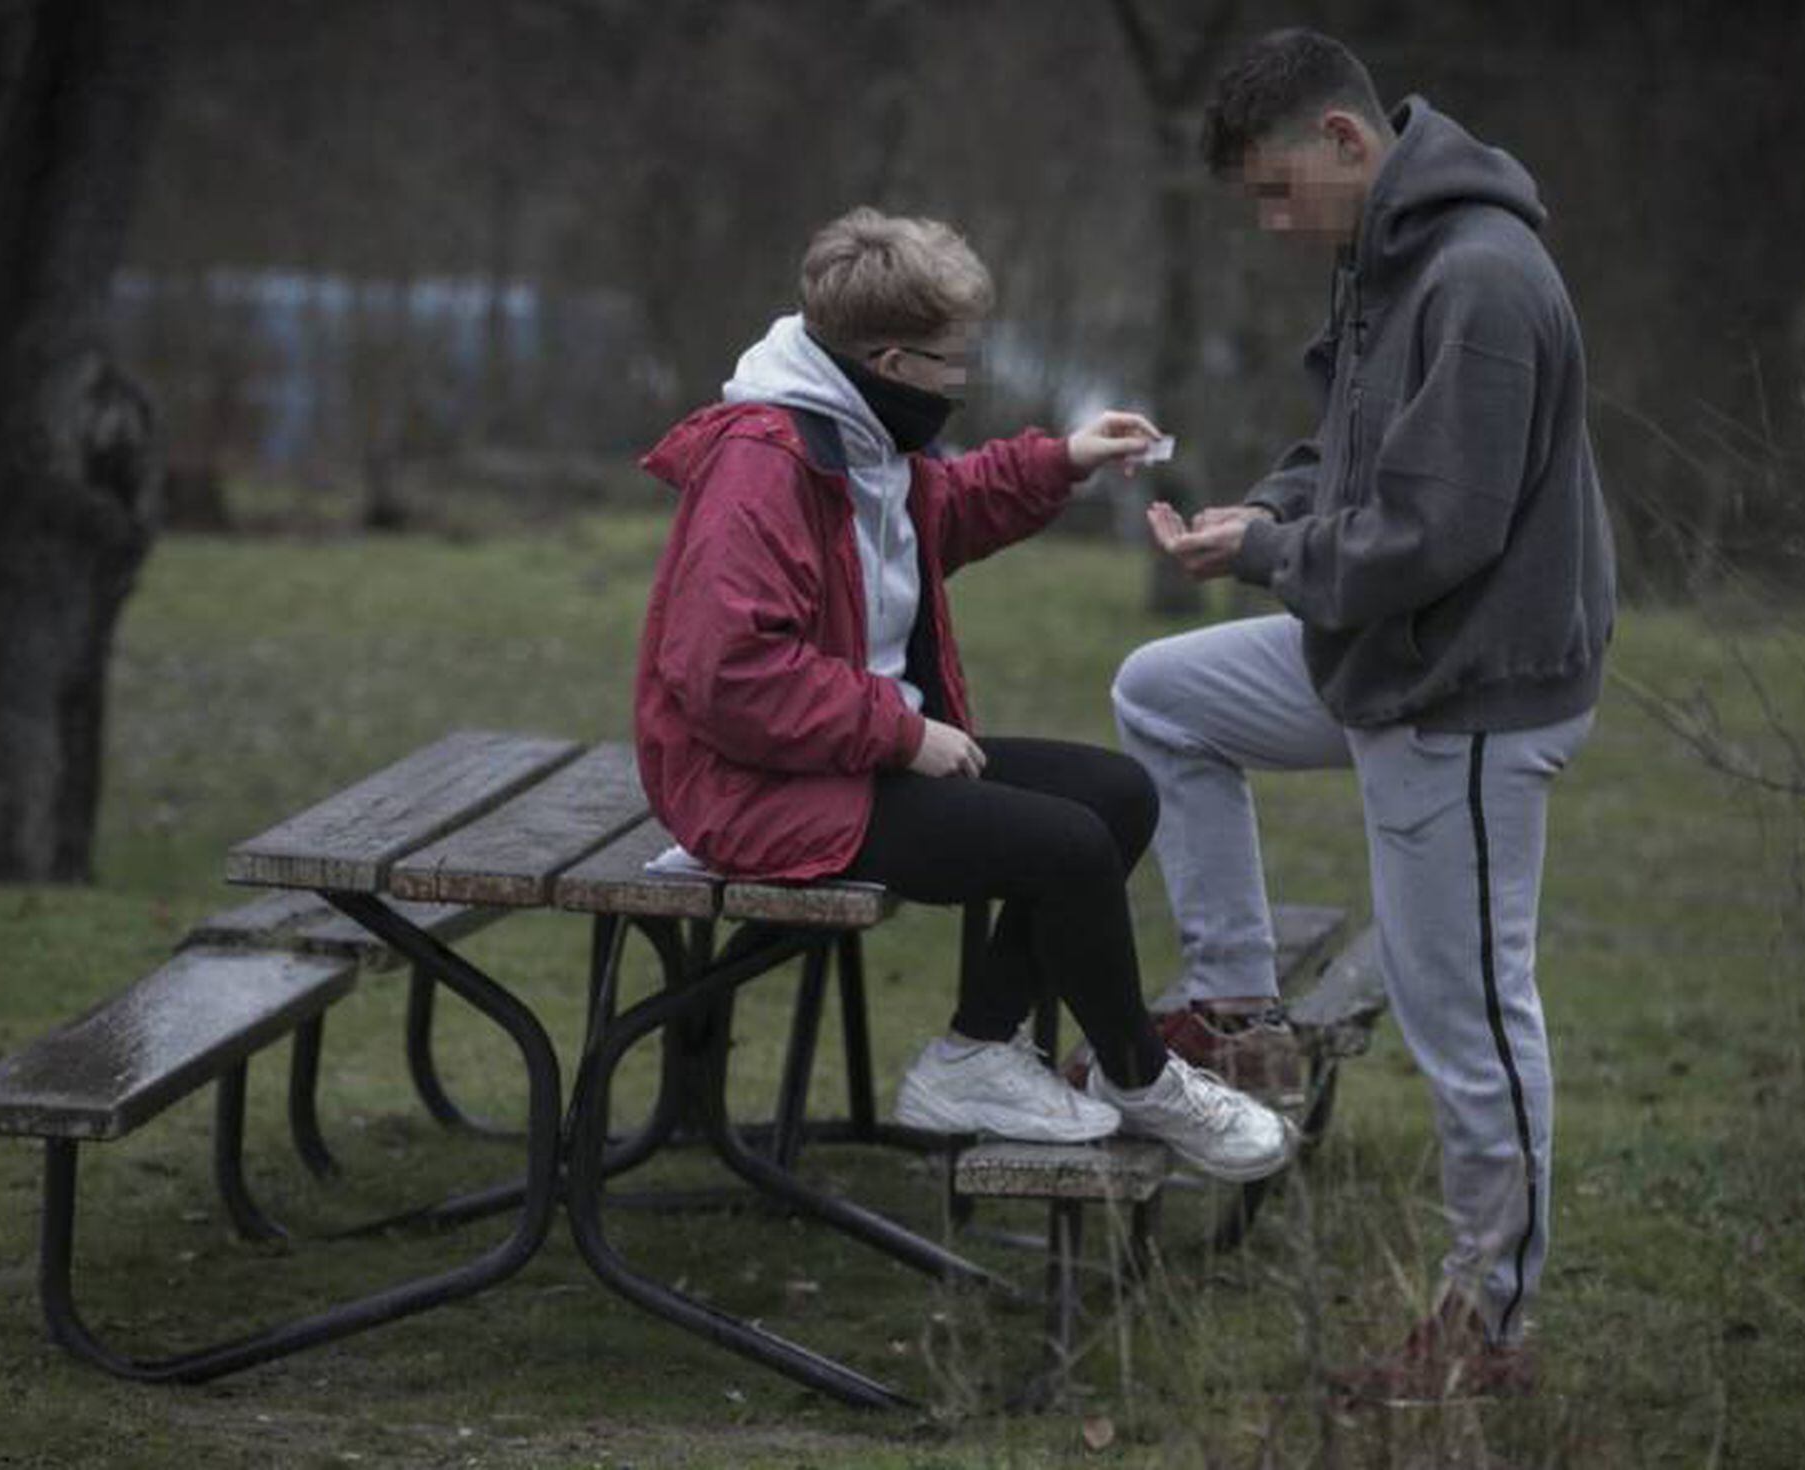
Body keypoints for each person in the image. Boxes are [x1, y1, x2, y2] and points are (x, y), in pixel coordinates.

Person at [1111, 30, 1615, 1398]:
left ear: (1346, 141)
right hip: (1392, 655)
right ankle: (1236, 1008)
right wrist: (1267, 511)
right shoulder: (1386, 256)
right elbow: (1344, 451)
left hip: (1469, 689)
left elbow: (1434, 532)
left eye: (1280, 192)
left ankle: (1490, 1327)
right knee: (1164, 694)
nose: (1275, 225)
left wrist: (1274, 558)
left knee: (1474, 1023)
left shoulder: (1483, 278)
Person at [634, 206, 1292, 1183]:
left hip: (841, 759)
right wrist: (899, 734)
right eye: (950, 362)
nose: (961, 380)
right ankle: (1141, 1079)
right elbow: (727, 675)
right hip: (754, 789)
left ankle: (978, 1052)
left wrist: (1061, 459)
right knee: (1062, 849)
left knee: (1113, 795)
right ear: (891, 360)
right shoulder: (763, 467)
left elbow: (937, 516)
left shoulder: (855, 435)